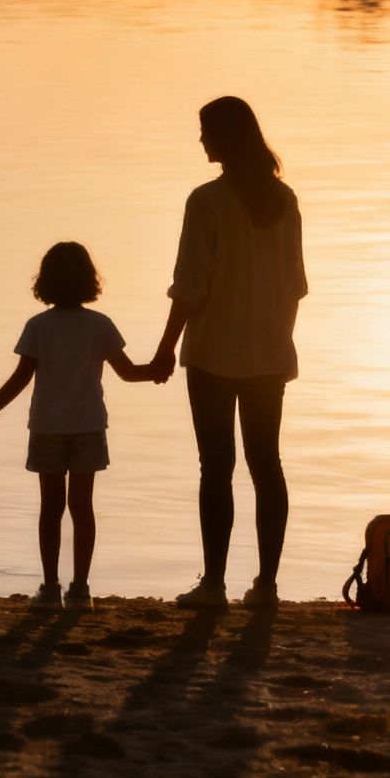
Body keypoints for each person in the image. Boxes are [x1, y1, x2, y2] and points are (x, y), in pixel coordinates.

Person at [150, 97, 307, 612]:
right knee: (268, 464)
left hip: (214, 353)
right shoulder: (285, 200)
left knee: (215, 466)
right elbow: (296, 287)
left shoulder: (207, 201)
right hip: (269, 355)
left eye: (205, 131)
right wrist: (278, 338)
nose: (200, 140)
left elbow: (190, 287)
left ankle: (214, 586)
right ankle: (266, 587)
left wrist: (164, 349)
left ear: (226, 137)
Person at [0, 242, 163, 609]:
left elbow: (20, 379)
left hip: (47, 426)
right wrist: (155, 371)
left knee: (51, 508)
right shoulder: (99, 325)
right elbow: (127, 372)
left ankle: (49, 587)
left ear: (45, 281)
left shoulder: (39, 327)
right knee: (82, 507)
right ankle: (80, 588)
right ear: (89, 280)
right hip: (89, 425)